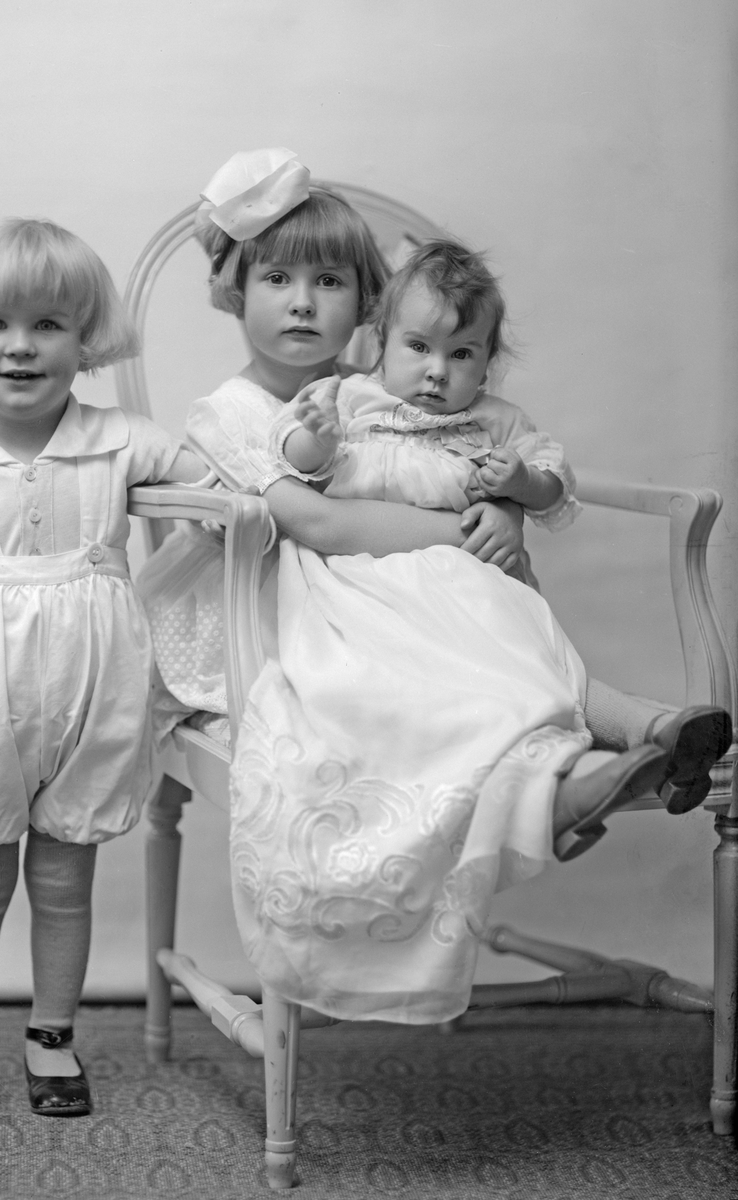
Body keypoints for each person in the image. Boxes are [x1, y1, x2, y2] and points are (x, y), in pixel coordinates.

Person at [139, 150, 731, 1024]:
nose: (302, 302)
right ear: (235, 288)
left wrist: (510, 507)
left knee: (499, 662)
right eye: (276, 278)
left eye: (329, 281)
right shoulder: (242, 411)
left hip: (420, 598)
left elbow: (485, 455)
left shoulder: (387, 390)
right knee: (419, 685)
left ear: (366, 306)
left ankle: (581, 771)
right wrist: (469, 530)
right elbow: (321, 522)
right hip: (275, 612)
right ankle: (559, 788)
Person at [0, 218, 207, 1132]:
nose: (20, 346)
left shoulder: (123, 442)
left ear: (85, 338)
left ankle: (51, 1038)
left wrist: (298, 460)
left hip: (94, 704)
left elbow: (219, 488)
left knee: (64, 883)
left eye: (48, 324)